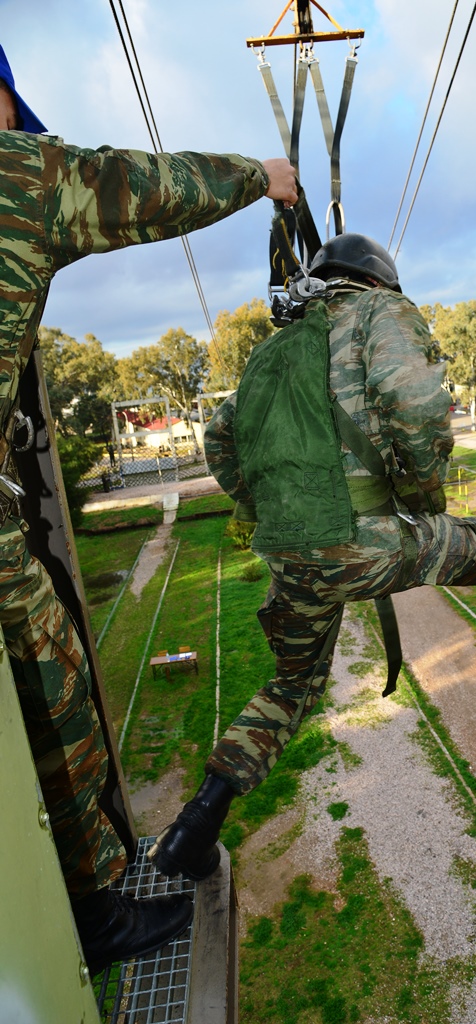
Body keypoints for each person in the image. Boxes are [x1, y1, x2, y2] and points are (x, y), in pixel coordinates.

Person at [149, 233, 476, 882]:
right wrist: (419, 498)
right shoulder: (382, 311)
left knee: (290, 685)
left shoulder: (274, 349)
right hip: (363, 543)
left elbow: (220, 437)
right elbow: (413, 401)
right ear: (376, 280)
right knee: (460, 541)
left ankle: (197, 823)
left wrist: (266, 511)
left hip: (291, 552)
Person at [0, 43, 298, 974]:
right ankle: (93, 913)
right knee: (54, 684)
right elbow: (147, 185)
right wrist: (264, 177)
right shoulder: (20, 174)